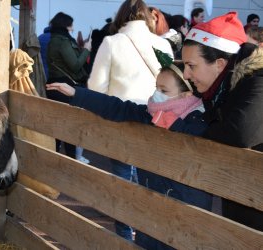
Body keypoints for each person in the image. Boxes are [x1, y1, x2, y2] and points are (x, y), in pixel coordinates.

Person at [46, 59, 213, 249]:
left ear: (186, 94)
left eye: (164, 91)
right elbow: (118, 107)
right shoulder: (152, 114)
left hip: (184, 218)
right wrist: (76, 93)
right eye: (156, 87)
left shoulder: (198, 122)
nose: (156, 95)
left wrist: (173, 124)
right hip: (150, 211)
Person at [87, 0, 172, 241]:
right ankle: (149, 237)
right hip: (157, 119)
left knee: (123, 182)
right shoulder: (163, 44)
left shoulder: (112, 43)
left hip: (121, 119)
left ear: (121, 17)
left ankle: (125, 237)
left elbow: (96, 86)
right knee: (150, 181)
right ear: (149, 18)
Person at [182, 11, 263, 230]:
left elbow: (239, 133)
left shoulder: (258, 79)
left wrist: (192, 127)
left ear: (219, 64)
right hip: (243, 195)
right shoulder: (219, 89)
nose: (186, 75)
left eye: (191, 66)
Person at [46, 12, 91, 164]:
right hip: (64, 87)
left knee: (58, 128)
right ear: (66, 24)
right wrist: (86, 49)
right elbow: (75, 64)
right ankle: (72, 161)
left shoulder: (54, 38)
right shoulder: (62, 41)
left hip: (55, 86)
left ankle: (55, 159)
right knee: (69, 127)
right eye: (71, 24)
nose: (73, 27)